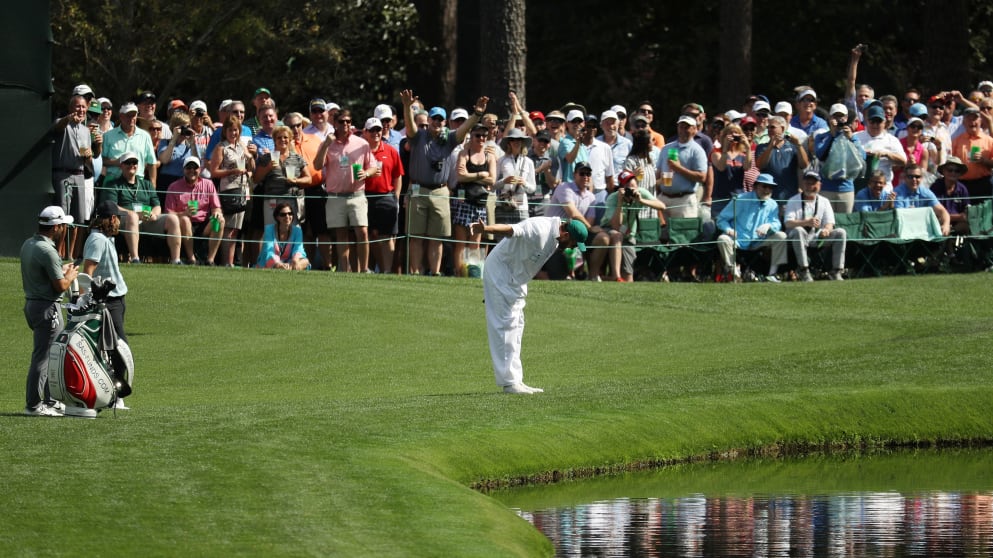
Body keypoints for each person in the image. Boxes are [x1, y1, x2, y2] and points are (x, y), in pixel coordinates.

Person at [469, 216, 588, 394]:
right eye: (573, 243)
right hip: (501, 272)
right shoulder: (539, 228)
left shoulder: (557, 239)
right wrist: (485, 229)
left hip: (516, 279)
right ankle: (509, 383)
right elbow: (511, 230)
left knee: (517, 326)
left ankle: (516, 380)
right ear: (565, 233)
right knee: (505, 326)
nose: (572, 247)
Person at [399, 89, 488, 275]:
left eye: (440, 119)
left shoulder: (449, 138)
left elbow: (464, 129)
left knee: (436, 237)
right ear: (429, 120)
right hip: (418, 189)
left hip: (440, 191)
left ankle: (435, 272)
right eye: (434, 119)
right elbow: (409, 125)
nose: (437, 122)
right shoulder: (418, 136)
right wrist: (407, 106)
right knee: (415, 237)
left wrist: (477, 114)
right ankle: (415, 272)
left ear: (445, 122)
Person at [21, 206, 78, 416]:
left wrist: (61, 271)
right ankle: (34, 405)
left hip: (33, 305)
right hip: (47, 308)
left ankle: (49, 400)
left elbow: (43, 274)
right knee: (43, 357)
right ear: (55, 227)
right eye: (62, 225)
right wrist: (69, 275)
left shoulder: (29, 243)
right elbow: (61, 286)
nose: (64, 228)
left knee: (48, 356)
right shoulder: (48, 250)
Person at [314, 110, 375, 273]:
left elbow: (374, 166)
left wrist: (367, 173)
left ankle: (364, 269)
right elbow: (317, 166)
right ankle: (345, 269)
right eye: (341, 121)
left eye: (348, 121)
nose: (345, 124)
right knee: (341, 235)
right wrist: (326, 144)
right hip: (335, 196)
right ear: (335, 123)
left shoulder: (361, 143)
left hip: (357, 195)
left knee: (362, 232)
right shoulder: (327, 142)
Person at [101, 151, 182, 264]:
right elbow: (112, 206)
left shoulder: (146, 184)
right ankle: (135, 258)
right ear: (121, 165)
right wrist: (134, 213)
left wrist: (153, 214)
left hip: (147, 219)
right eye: (128, 162)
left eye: (134, 162)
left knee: (173, 219)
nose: (132, 165)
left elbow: (157, 205)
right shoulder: (114, 184)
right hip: (125, 220)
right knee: (133, 216)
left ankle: (176, 260)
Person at [593, 171, 667, 282]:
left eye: (633, 187)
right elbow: (615, 226)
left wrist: (641, 200)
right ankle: (615, 276)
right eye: (628, 188)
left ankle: (609, 278)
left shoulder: (640, 193)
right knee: (617, 235)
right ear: (621, 188)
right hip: (610, 231)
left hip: (628, 237)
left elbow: (662, 206)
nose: (631, 191)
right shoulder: (613, 198)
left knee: (628, 279)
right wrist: (620, 202)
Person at [715, 173, 788, 282]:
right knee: (722, 239)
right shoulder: (740, 199)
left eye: (770, 187)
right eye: (764, 186)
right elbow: (721, 219)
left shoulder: (773, 204)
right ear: (756, 186)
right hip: (738, 239)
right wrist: (728, 230)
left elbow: (777, 224)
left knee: (781, 236)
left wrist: (769, 226)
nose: (767, 190)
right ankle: (734, 272)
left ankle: (772, 274)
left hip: (759, 241)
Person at [51, 94, 96, 259]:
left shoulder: (85, 131)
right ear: (70, 108)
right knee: (63, 216)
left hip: (80, 175)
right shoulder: (62, 123)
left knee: (78, 218)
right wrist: (69, 118)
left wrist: (90, 155)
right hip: (63, 174)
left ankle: (71, 255)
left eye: (84, 107)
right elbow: (58, 126)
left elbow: (87, 158)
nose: (81, 110)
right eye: (78, 106)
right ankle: (58, 253)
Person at [81, 201, 129, 348]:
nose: (120, 222)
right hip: (109, 301)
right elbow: (87, 271)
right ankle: (120, 371)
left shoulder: (103, 238)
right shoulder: (98, 240)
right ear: (113, 218)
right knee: (119, 345)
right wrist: (82, 301)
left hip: (114, 299)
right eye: (118, 219)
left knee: (113, 343)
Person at [208, 117, 255, 267]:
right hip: (228, 191)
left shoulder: (242, 146)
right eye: (230, 130)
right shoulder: (221, 147)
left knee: (235, 230)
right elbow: (213, 172)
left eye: (235, 130)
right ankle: (225, 262)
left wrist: (251, 157)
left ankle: (231, 262)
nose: (233, 133)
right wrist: (232, 171)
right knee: (227, 229)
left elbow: (251, 167)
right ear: (225, 131)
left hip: (243, 191)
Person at [784, 171, 847, 282]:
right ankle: (803, 270)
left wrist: (826, 230)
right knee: (798, 230)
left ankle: (836, 270)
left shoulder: (824, 201)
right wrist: (806, 222)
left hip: (817, 237)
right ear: (803, 184)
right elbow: (788, 223)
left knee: (840, 232)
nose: (811, 187)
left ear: (819, 186)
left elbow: (830, 222)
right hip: (797, 237)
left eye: (814, 184)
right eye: (808, 183)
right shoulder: (793, 200)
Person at [454, 124, 497, 276]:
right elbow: (460, 176)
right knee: (460, 243)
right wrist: (480, 175)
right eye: (477, 135)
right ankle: (459, 274)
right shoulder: (464, 153)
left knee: (475, 243)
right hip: (464, 201)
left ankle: (472, 274)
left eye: (484, 136)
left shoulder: (489, 156)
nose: (481, 138)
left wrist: (470, 178)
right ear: (471, 136)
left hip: (480, 203)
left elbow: (492, 179)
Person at [362, 117, 404, 273]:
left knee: (387, 237)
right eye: (372, 130)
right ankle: (370, 268)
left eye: (378, 130)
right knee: (369, 235)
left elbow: (398, 175)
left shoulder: (390, 150)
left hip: (386, 196)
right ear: (365, 132)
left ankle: (386, 271)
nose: (375, 133)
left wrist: (396, 198)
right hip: (364, 196)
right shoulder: (361, 149)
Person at [164, 156, 224, 264]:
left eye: (195, 167)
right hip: (183, 225)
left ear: (200, 169)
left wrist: (217, 213)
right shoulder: (174, 187)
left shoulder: (208, 184)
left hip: (204, 225)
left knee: (220, 220)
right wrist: (184, 213)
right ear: (183, 170)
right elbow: (169, 213)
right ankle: (192, 259)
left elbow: (216, 207)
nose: (192, 170)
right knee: (185, 220)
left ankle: (210, 260)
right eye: (188, 167)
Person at [814, 104, 866, 214]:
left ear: (846, 118)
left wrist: (851, 138)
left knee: (845, 223)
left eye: (841, 117)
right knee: (826, 224)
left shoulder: (852, 137)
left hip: (846, 188)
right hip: (826, 188)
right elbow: (820, 155)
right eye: (835, 116)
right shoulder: (821, 136)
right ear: (829, 118)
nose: (838, 119)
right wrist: (832, 135)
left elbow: (862, 156)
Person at [658, 116, 708, 219]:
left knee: (683, 233)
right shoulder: (666, 148)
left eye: (687, 127)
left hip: (684, 200)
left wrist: (678, 168)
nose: (683, 130)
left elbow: (702, 177)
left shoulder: (697, 150)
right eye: (681, 127)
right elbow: (658, 172)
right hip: (663, 199)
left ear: (695, 130)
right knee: (660, 234)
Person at [756, 115, 809, 205]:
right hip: (768, 197)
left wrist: (798, 145)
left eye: (772, 127)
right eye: (768, 127)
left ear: (783, 128)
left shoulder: (793, 146)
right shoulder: (762, 147)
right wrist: (770, 147)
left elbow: (804, 165)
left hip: (789, 197)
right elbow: (760, 165)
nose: (769, 130)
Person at [893, 164, 952, 237]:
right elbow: (899, 217)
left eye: (917, 177)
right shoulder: (897, 192)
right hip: (904, 230)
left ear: (921, 178)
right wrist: (909, 213)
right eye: (910, 177)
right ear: (905, 178)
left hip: (924, 230)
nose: (914, 179)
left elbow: (942, 211)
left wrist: (946, 225)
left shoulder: (926, 192)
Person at [494, 127, 536, 225]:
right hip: (504, 204)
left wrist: (524, 183)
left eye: (519, 140)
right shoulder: (501, 160)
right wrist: (505, 181)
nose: (516, 142)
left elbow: (532, 188)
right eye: (512, 140)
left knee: (521, 237)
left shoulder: (529, 162)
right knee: (502, 238)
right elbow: (493, 185)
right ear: (508, 143)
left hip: (522, 206)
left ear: (522, 142)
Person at [950, 107, 993, 199]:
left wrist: (984, 161)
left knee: (983, 212)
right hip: (961, 183)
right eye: (969, 119)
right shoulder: (956, 141)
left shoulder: (989, 141)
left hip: (982, 183)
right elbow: (950, 162)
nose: (972, 122)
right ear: (963, 122)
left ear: (980, 121)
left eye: (975, 118)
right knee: (964, 211)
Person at [258, 202, 310, 270]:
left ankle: (291, 268)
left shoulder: (298, 231)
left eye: (290, 213)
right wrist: (278, 263)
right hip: (272, 261)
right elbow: (268, 250)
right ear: (277, 217)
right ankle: (287, 268)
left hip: (291, 261)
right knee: (272, 261)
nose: (287, 216)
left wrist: (295, 260)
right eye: (283, 214)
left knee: (305, 261)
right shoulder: (268, 229)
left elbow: (298, 249)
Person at [930, 156, 971, 235]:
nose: (953, 173)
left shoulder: (963, 189)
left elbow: (967, 213)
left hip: (957, 224)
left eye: (957, 171)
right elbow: (933, 212)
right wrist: (957, 217)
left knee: (968, 226)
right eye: (950, 170)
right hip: (938, 222)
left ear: (960, 174)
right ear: (944, 171)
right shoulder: (935, 187)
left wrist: (960, 217)